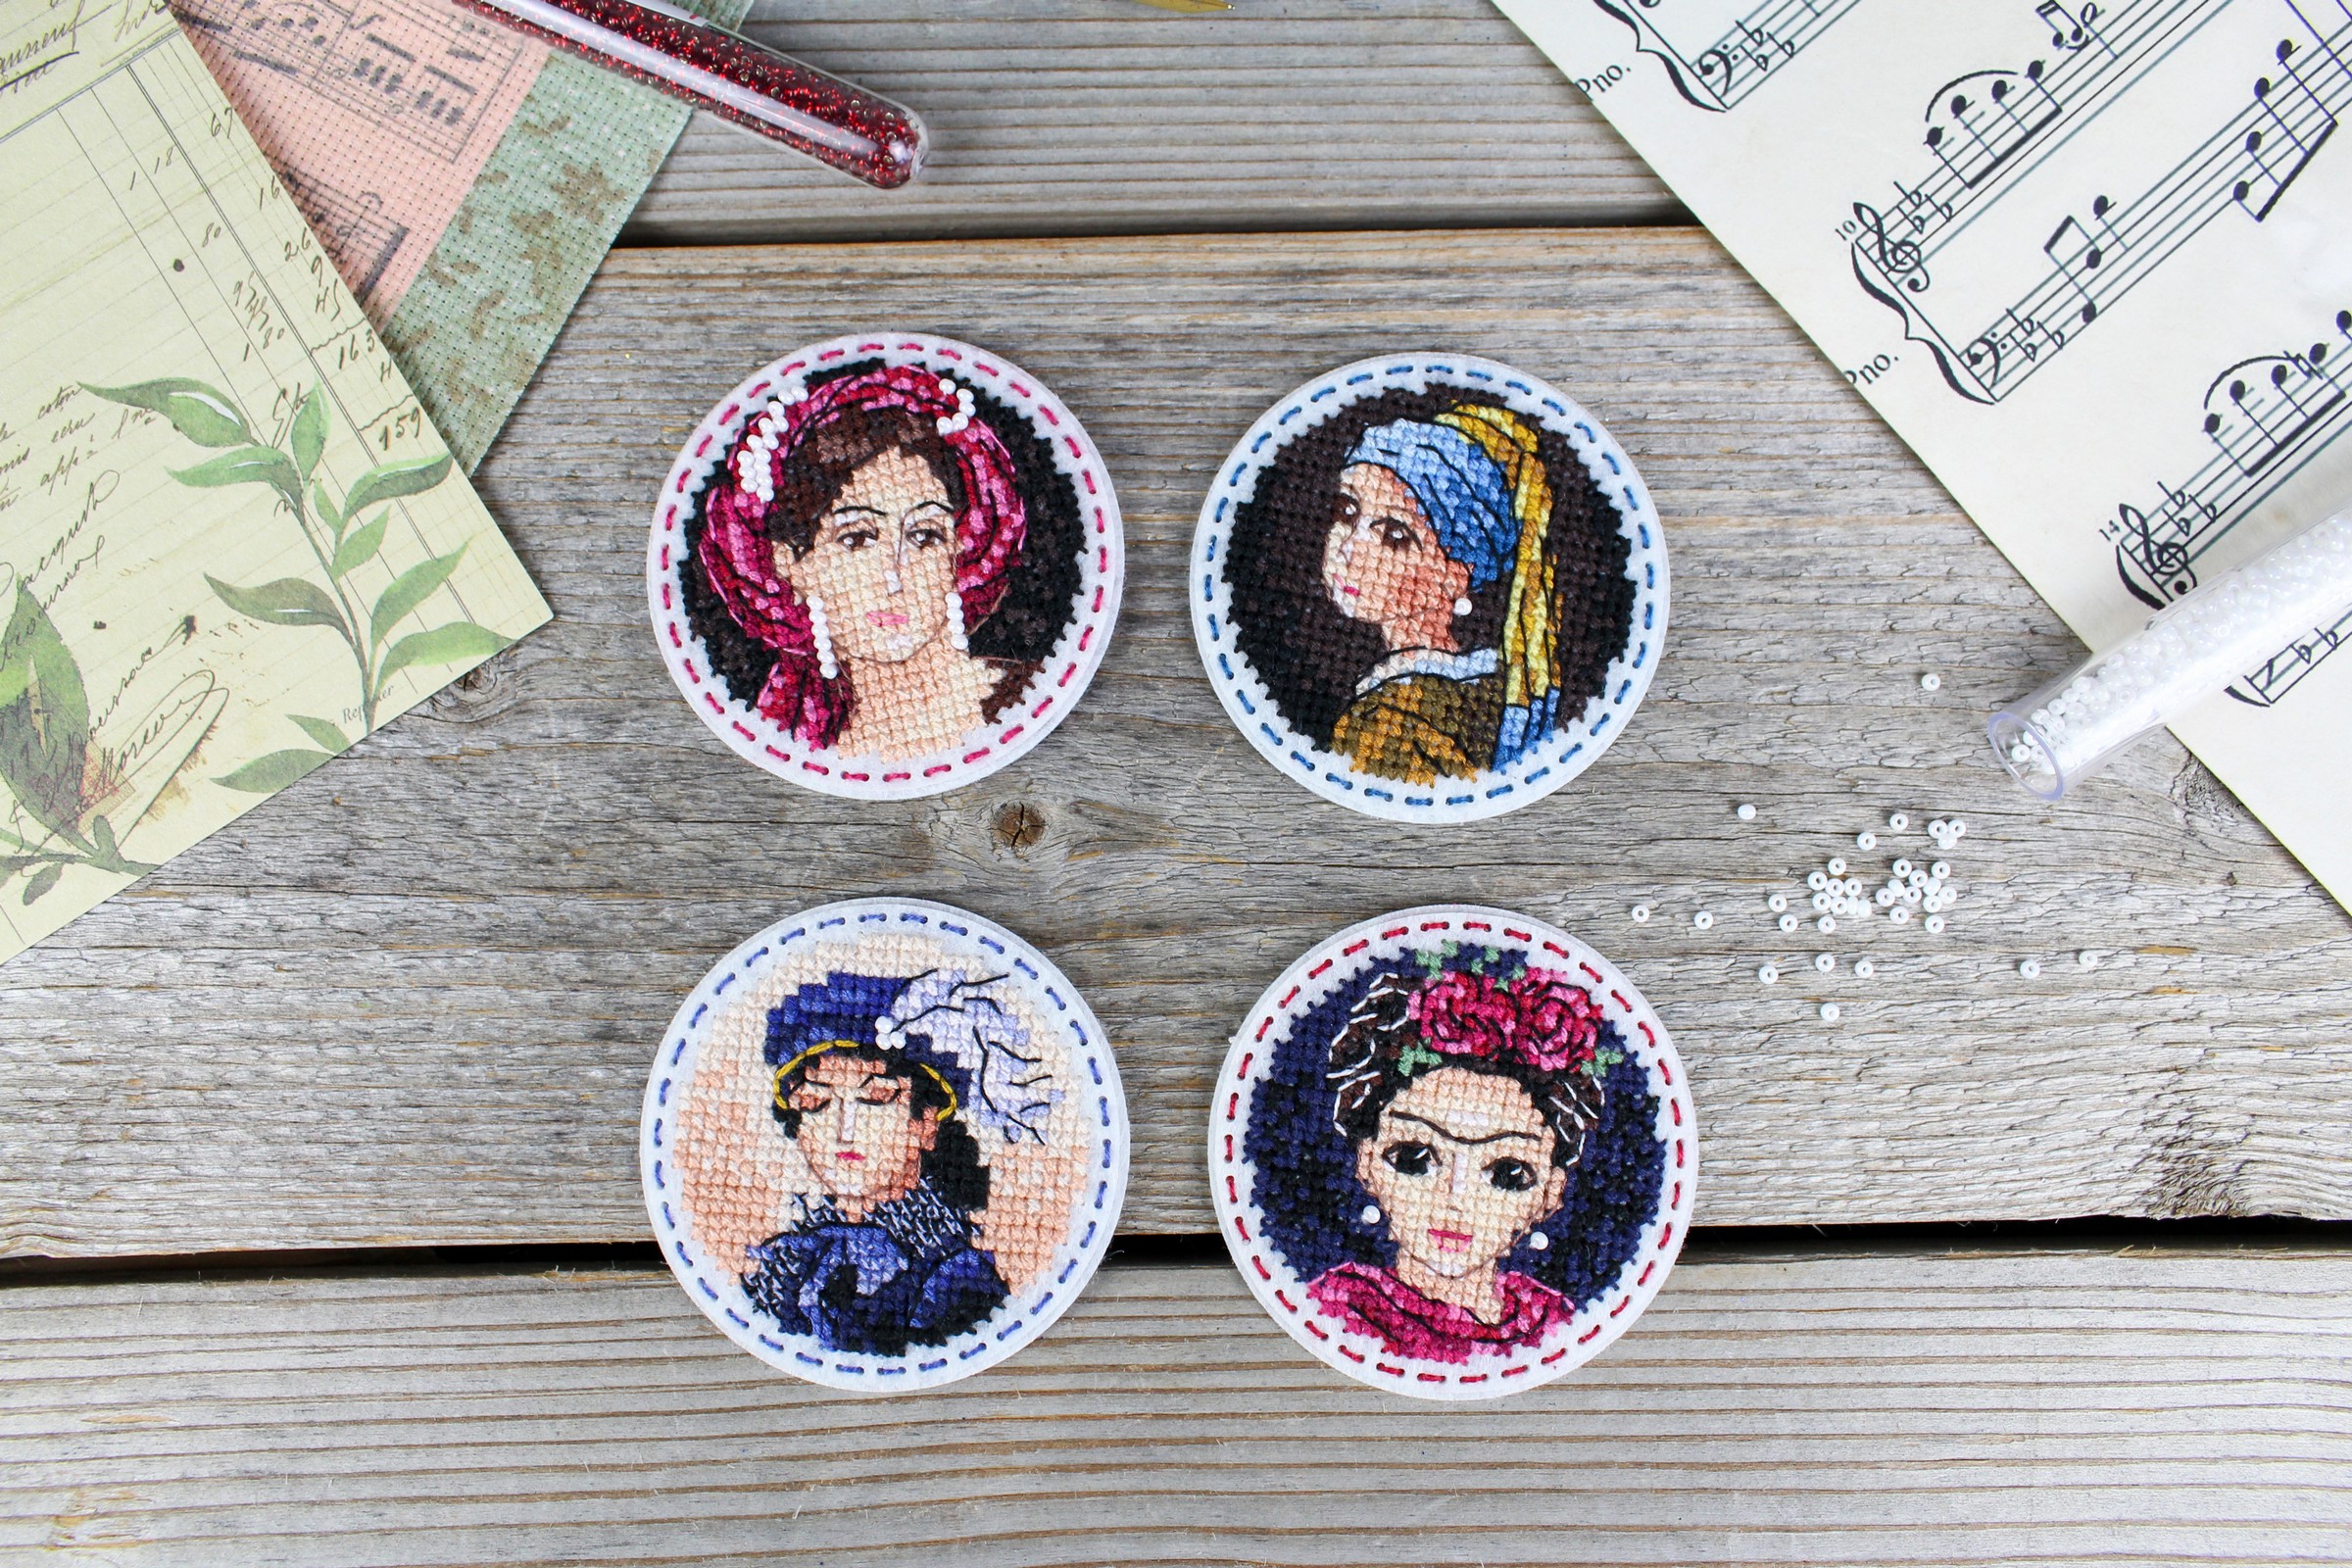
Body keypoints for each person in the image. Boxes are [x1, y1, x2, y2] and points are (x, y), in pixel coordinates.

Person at [695, 364, 1039, 761]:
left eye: (925, 536)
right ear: (788, 563)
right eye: (857, 539)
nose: (895, 576)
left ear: (961, 550)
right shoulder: (795, 730)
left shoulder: (1026, 700)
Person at [740, 968, 1056, 1355]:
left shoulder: (953, 1282)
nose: (844, 1131)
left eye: (875, 1099)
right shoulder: (783, 1263)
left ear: (926, 1123)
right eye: (815, 1101)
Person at [1308, 961, 1610, 1363]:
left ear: (1551, 1193)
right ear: (1366, 1161)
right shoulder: (1340, 1312)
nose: (1456, 1198)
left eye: (1508, 1174)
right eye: (1414, 1158)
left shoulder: (1555, 1324)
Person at [1319, 402, 1570, 784]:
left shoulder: (1387, 723)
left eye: (1395, 535)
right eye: (1347, 511)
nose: (1349, 550)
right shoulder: (1496, 688)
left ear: (1457, 576)